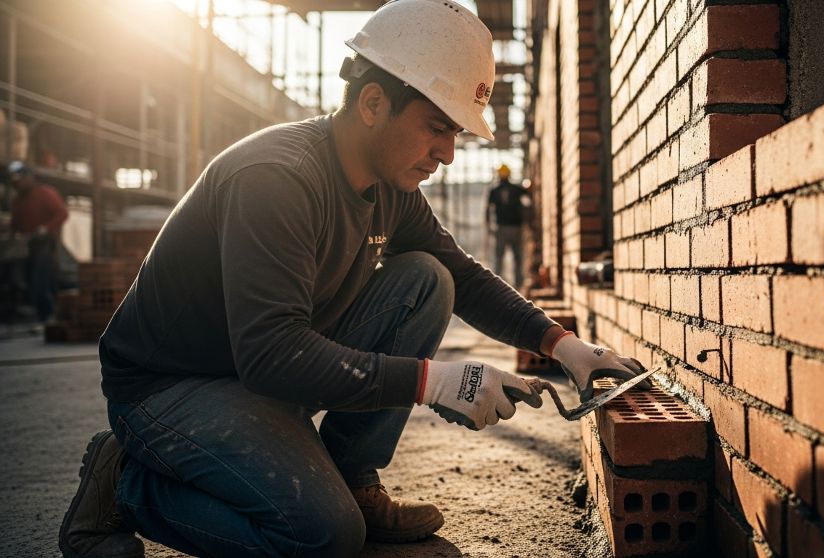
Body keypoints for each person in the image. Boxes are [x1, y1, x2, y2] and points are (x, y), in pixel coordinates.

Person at [57, 1, 647, 557]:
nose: (447, 153)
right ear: (372, 103)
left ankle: (352, 476)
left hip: (250, 368)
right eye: (436, 127)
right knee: (323, 535)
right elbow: (270, 354)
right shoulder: (276, 179)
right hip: (171, 387)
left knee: (429, 279)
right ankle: (124, 484)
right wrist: (435, 382)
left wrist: (564, 346)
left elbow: (463, 277)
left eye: (455, 135)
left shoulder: (392, 185)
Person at [7, 160, 67, 324]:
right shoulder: (18, 200)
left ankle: (47, 317)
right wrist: (12, 237)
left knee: (41, 280)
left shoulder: (45, 193)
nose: (18, 183)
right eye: (15, 181)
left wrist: (46, 228)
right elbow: (15, 223)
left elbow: (62, 213)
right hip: (26, 245)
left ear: (29, 178)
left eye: (20, 179)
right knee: (27, 280)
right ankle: (41, 315)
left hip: (44, 243)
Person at [486, 163, 531, 288]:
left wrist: (488, 225)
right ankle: (519, 284)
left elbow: (488, 209)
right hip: (516, 227)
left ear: (499, 175)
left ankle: (496, 285)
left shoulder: (494, 190)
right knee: (518, 257)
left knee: (499, 257)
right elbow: (528, 192)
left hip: (501, 227)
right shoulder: (516, 189)